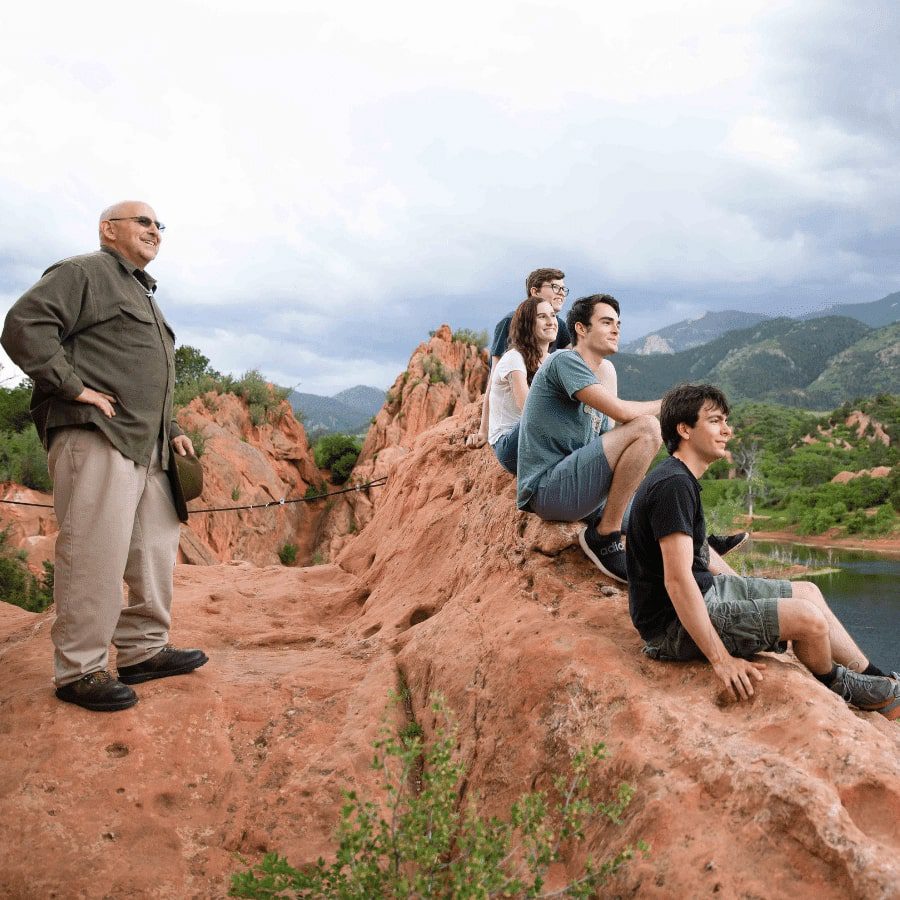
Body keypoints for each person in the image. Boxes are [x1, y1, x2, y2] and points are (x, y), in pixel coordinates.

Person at [1, 201, 208, 712]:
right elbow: (24, 324)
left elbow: (140, 375)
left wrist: (173, 427)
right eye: (143, 221)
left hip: (148, 443)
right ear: (108, 229)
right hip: (95, 433)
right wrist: (73, 388)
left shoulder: (142, 291)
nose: (154, 230)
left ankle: (142, 651)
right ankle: (79, 670)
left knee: (153, 551)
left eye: (160, 225)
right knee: (93, 552)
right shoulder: (85, 272)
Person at [625, 382, 899, 717]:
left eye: (726, 420)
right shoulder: (673, 485)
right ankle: (840, 687)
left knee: (809, 591)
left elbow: (701, 554)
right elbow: (677, 580)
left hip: (706, 592)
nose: (727, 429)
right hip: (671, 629)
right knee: (809, 621)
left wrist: (749, 595)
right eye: (715, 421)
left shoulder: (678, 477)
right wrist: (721, 661)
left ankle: (873, 679)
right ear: (684, 429)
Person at [516, 294, 663, 583]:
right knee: (648, 428)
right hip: (547, 489)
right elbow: (623, 413)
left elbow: (612, 438)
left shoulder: (596, 378)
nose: (616, 329)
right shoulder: (564, 361)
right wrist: (672, 403)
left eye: (618, 323)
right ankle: (605, 536)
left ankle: (703, 553)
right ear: (581, 329)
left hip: (577, 485)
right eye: (606, 322)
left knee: (663, 511)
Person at [466, 267, 571, 449]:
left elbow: (574, 365)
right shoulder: (510, 323)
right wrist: (483, 430)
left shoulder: (558, 326)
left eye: (564, 288)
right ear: (535, 291)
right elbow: (495, 376)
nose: (561, 292)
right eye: (555, 287)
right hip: (518, 417)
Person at [487, 297, 558, 473]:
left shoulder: (551, 361)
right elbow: (528, 408)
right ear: (527, 324)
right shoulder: (514, 358)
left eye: (553, 315)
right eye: (542, 317)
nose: (551, 322)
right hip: (510, 444)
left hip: (535, 439)